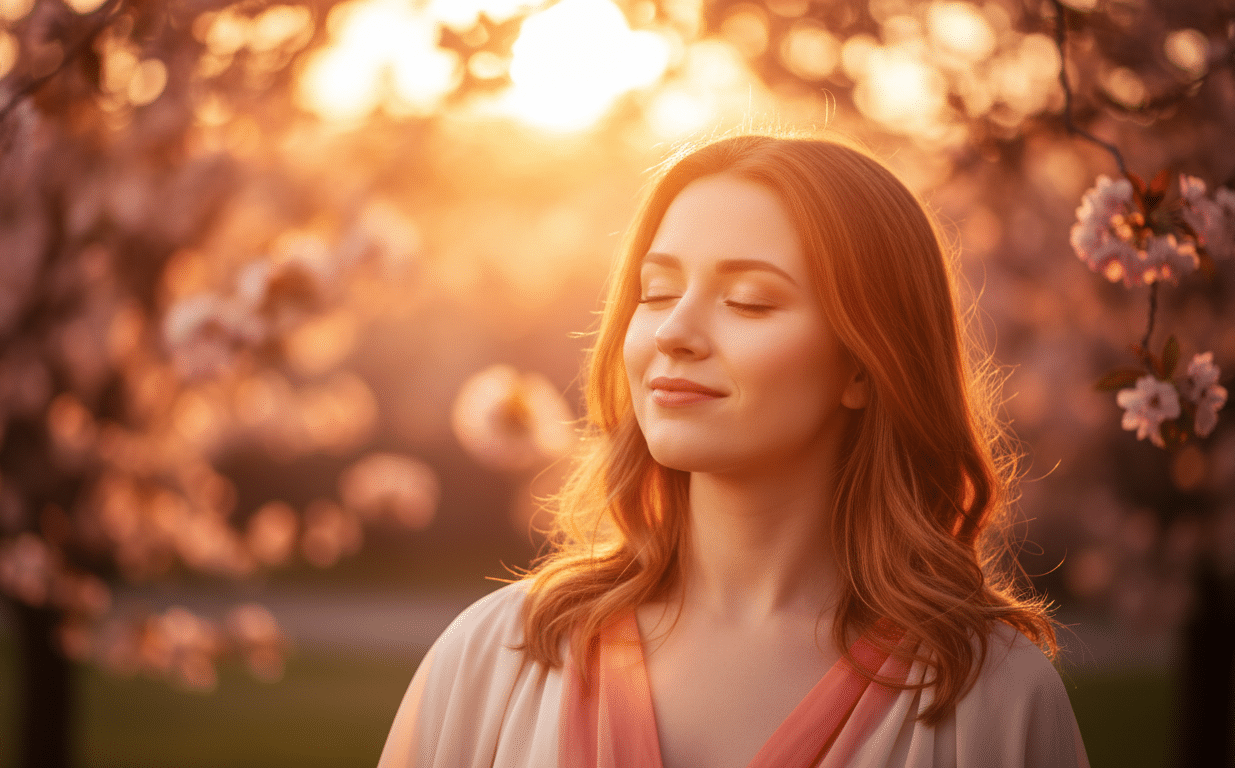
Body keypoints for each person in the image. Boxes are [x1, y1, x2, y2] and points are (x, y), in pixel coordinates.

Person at [377, 133, 1090, 768]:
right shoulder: (497, 657)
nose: (673, 332)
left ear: (864, 365)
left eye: (748, 301)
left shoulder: (993, 699)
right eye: (655, 293)